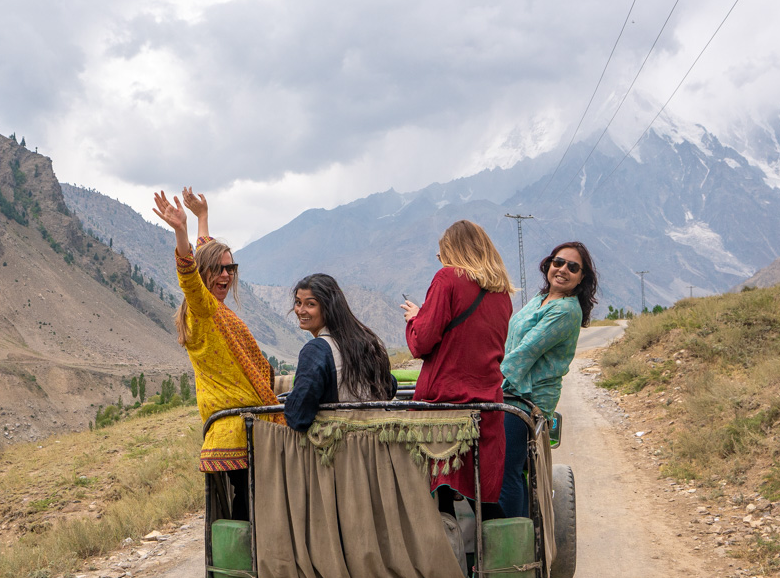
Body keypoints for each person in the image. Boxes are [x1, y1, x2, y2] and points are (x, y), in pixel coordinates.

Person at [152, 187, 280, 520]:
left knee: (251, 498)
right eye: (220, 269)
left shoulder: (215, 309)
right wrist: (181, 231)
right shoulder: (204, 310)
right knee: (251, 503)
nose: (226, 274)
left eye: (231, 268)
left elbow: (204, 255)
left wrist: (202, 218)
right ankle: (247, 565)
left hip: (247, 425)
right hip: (237, 430)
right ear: (205, 272)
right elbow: (190, 278)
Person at [401, 219, 514, 519]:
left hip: (443, 405)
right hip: (487, 404)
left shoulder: (447, 279)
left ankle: (446, 562)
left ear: (452, 251)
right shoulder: (502, 292)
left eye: (442, 254)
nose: (441, 261)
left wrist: (415, 318)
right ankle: (503, 559)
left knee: (440, 496)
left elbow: (422, 343)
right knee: (482, 496)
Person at [499, 241, 596, 517]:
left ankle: (516, 545)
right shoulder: (539, 300)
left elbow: (525, 353)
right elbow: (510, 342)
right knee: (502, 469)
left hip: (528, 400)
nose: (563, 269)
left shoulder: (566, 311)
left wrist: (486, 381)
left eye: (572, 267)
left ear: (581, 277)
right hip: (510, 392)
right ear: (548, 265)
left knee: (509, 472)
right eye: (558, 262)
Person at [282, 273, 397, 432]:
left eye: (310, 304)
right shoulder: (367, 341)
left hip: (341, 446)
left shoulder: (316, 350)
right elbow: (390, 386)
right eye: (298, 303)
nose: (300, 311)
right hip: (380, 442)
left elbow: (299, 416)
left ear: (328, 307)